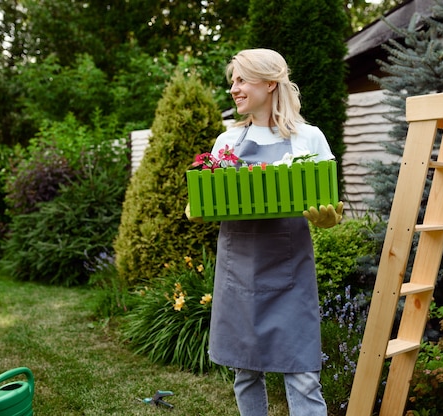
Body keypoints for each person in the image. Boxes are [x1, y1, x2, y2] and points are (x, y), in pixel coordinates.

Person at [188, 48, 342, 415]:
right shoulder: (227, 143)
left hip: (289, 273)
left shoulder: (309, 138)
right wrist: (196, 207)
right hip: (238, 270)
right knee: (245, 371)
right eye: (233, 81)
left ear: (270, 83)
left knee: (303, 375)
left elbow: (332, 202)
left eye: (242, 80)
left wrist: (329, 218)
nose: (234, 89)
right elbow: (210, 197)